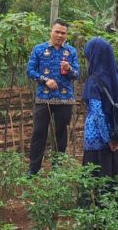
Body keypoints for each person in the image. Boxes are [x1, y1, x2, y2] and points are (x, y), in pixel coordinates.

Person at [26, 19, 79, 175]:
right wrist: (45, 80)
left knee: (61, 134)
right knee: (39, 133)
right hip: (43, 98)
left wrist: (69, 68)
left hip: (65, 99)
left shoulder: (71, 52)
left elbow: (77, 74)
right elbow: (30, 71)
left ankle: (57, 168)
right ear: (51, 31)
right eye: (57, 32)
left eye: (63, 33)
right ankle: (33, 169)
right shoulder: (39, 49)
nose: (60, 35)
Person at [81, 37, 118, 187]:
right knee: (115, 176)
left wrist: (107, 140)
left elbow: (97, 113)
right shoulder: (117, 77)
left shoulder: (94, 80)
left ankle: (94, 207)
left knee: (95, 179)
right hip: (116, 132)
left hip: (97, 138)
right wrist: (114, 139)